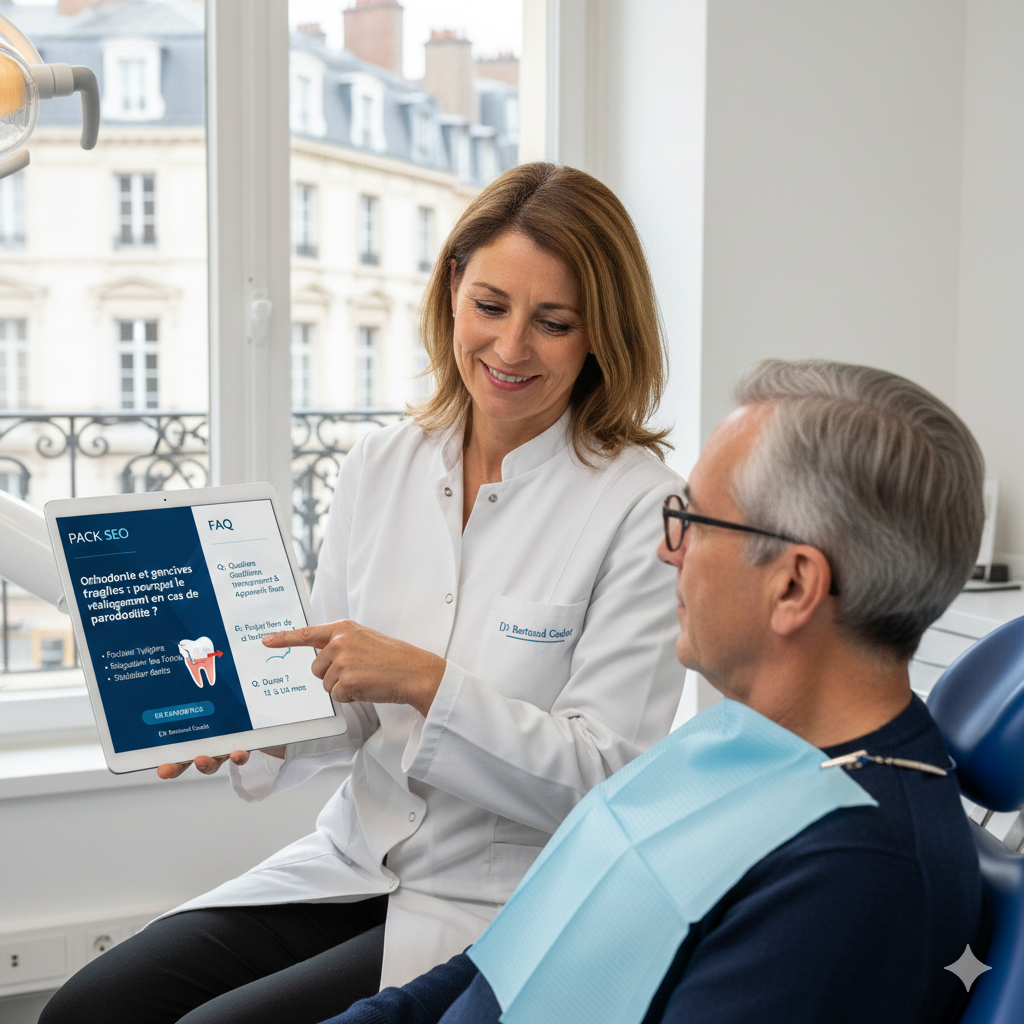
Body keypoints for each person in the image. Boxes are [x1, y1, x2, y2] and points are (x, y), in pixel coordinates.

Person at [39, 163, 686, 1024]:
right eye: (490, 306)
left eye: (554, 322)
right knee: (90, 1009)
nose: (511, 347)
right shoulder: (381, 465)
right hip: (352, 861)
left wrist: (424, 679)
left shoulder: (644, 505)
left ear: (602, 332)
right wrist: (248, 729)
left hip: (501, 899)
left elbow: (607, 779)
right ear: (452, 287)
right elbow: (341, 702)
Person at [316, 359, 988, 1024]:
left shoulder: (854, 875)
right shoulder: (730, 744)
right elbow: (502, 963)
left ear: (793, 586)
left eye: (696, 521)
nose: (670, 551)